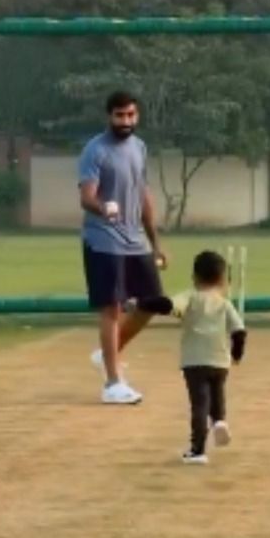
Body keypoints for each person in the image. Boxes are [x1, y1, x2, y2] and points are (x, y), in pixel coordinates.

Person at [78, 91, 168, 404]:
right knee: (112, 307)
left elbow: (144, 196)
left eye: (131, 115)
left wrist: (156, 243)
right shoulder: (95, 150)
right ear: (109, 116)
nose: (126, 121)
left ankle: (108, 354)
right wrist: (103, 208)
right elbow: (86, 197)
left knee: (153, 303)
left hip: (135, 240)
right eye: (120, 115)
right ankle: (112, 384)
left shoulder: (139, 147)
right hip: (103, 239)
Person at [139, 250, 247, 465]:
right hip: (220, 360)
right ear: (223, 279)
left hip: (195, 360)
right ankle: (220, 421)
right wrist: (236, 355)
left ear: (195, 276)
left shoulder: (190, 296)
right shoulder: (224, 303)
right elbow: (239, 331)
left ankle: (198, 451)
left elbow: (168, 306)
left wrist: (140, 303)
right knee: (217, 394)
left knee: (199, 404)